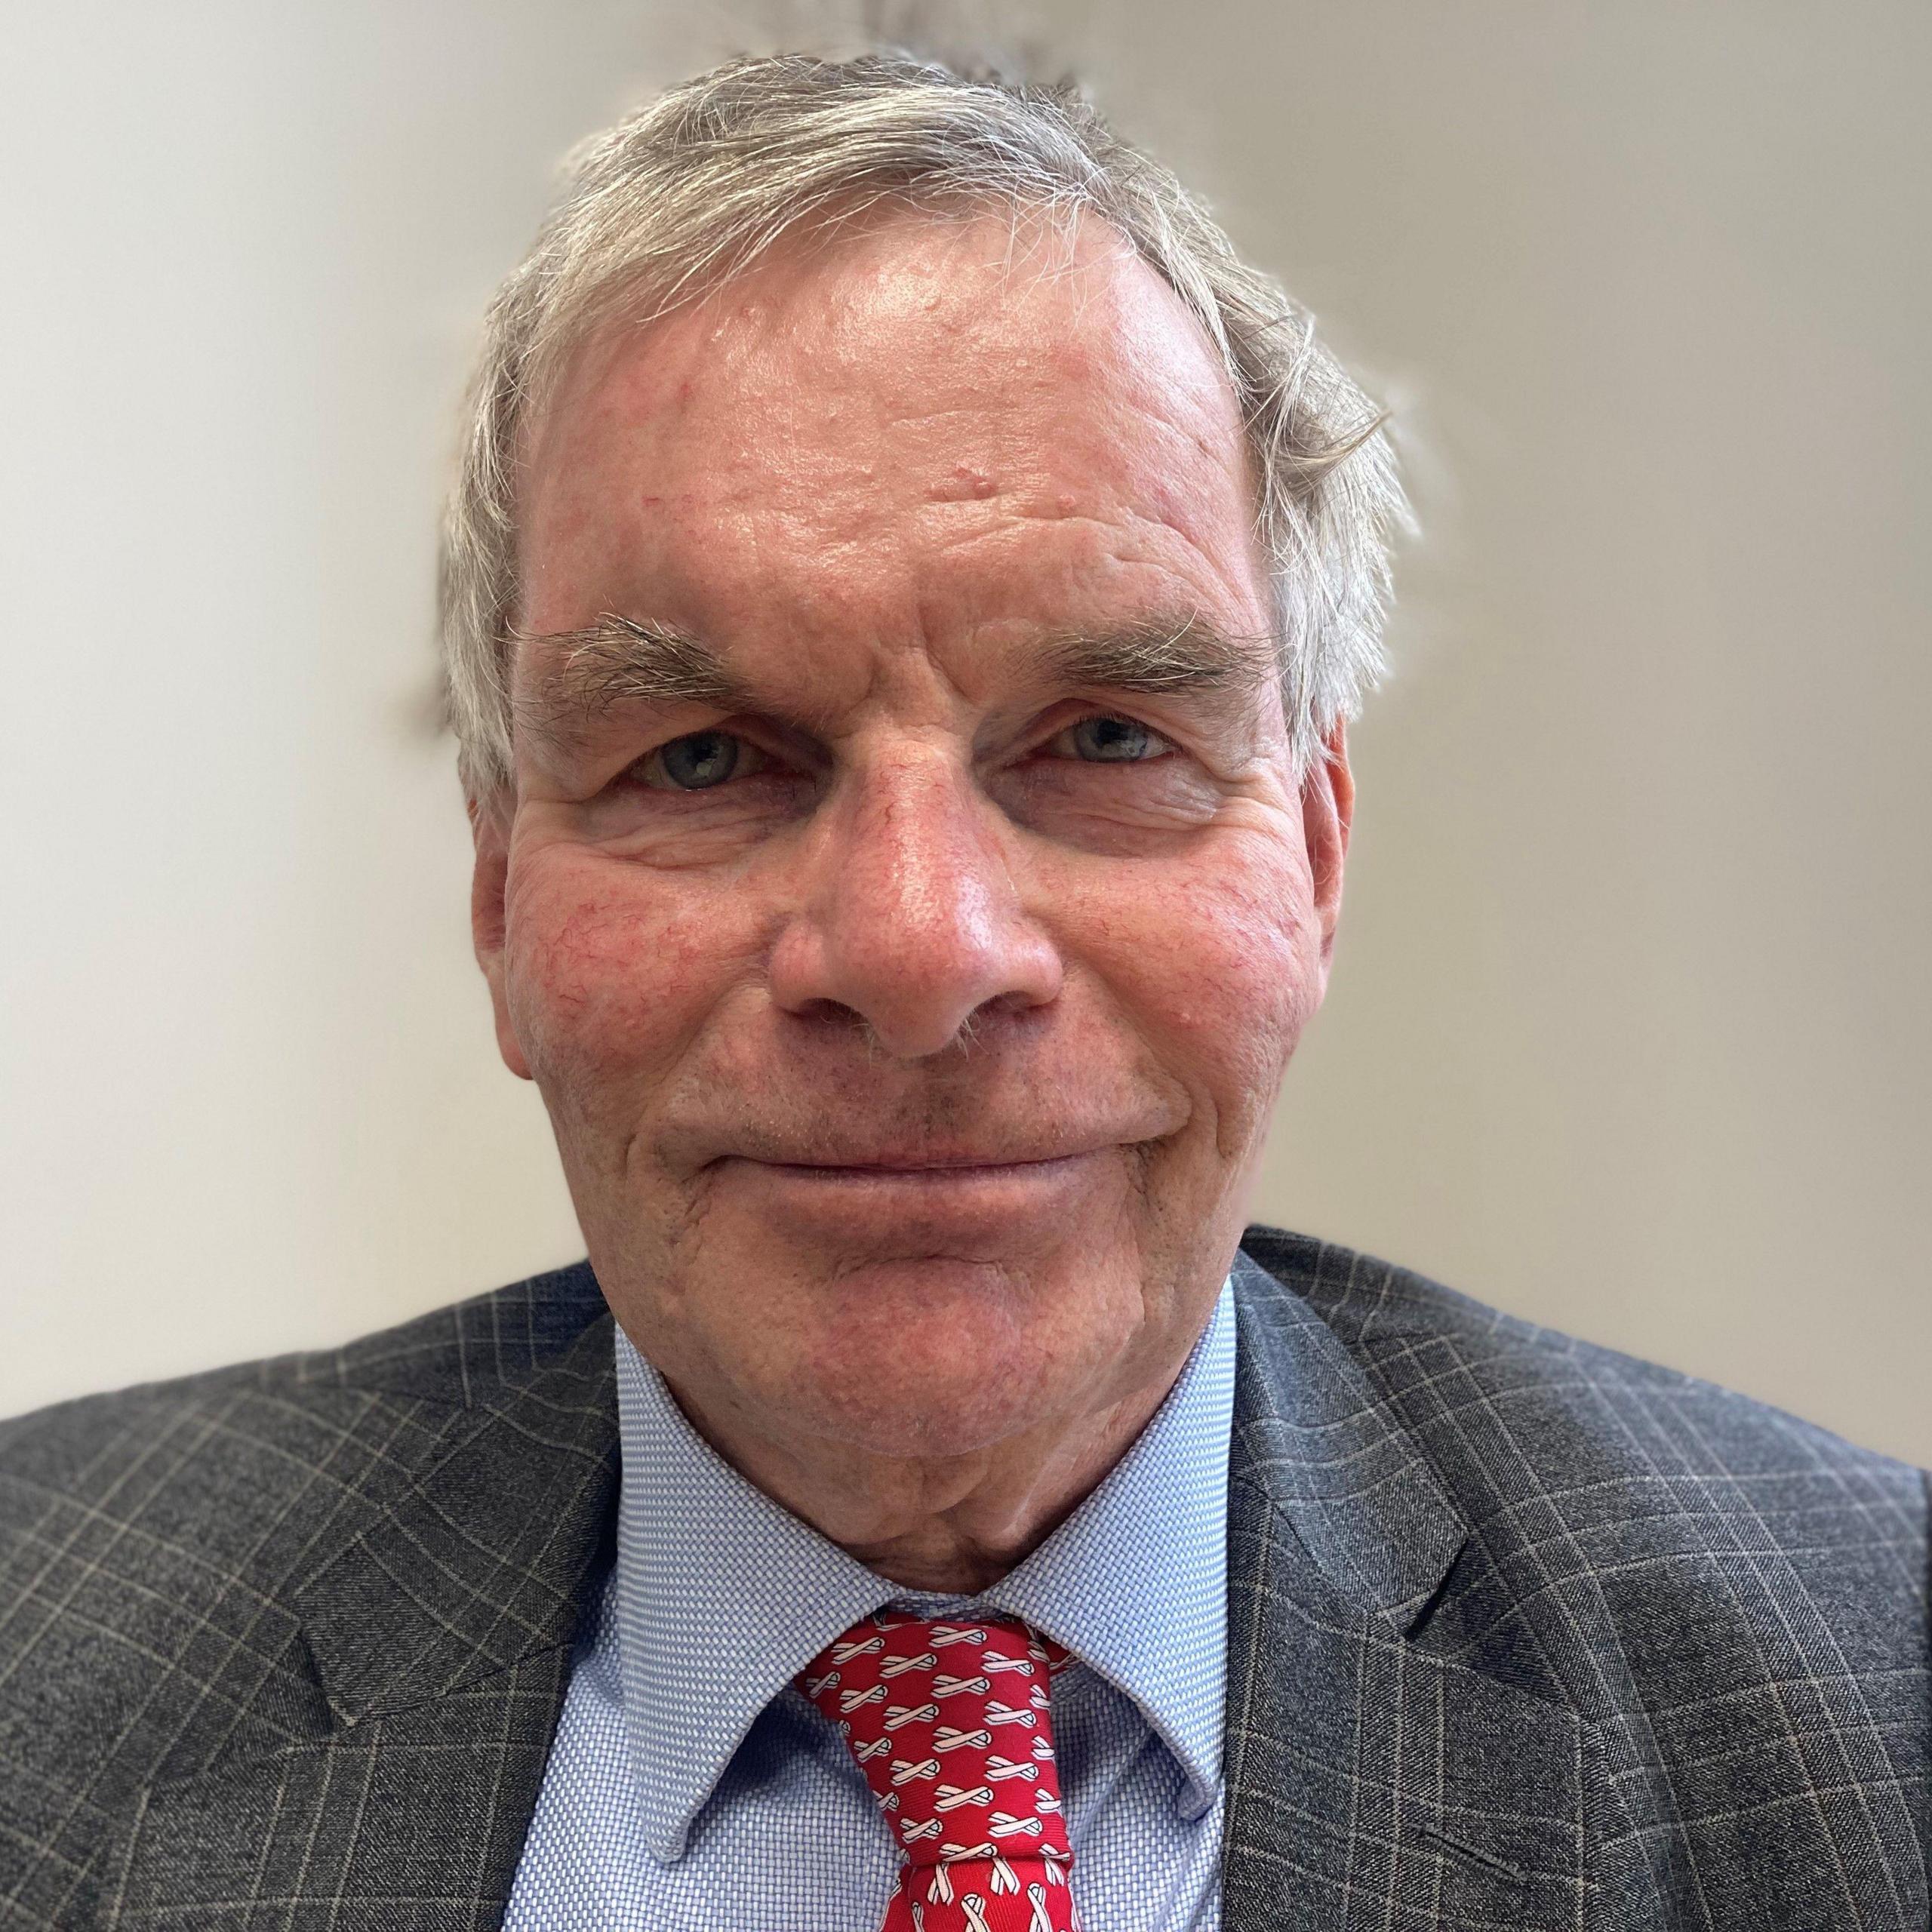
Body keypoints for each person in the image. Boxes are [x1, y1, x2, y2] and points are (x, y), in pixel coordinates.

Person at [1, 48, 1925, 1932]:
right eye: (702, 757)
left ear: (1315, 859)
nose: (920, 954)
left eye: (1099, 735)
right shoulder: (40, 1645)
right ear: (502, 892)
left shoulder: (1868, 1705)